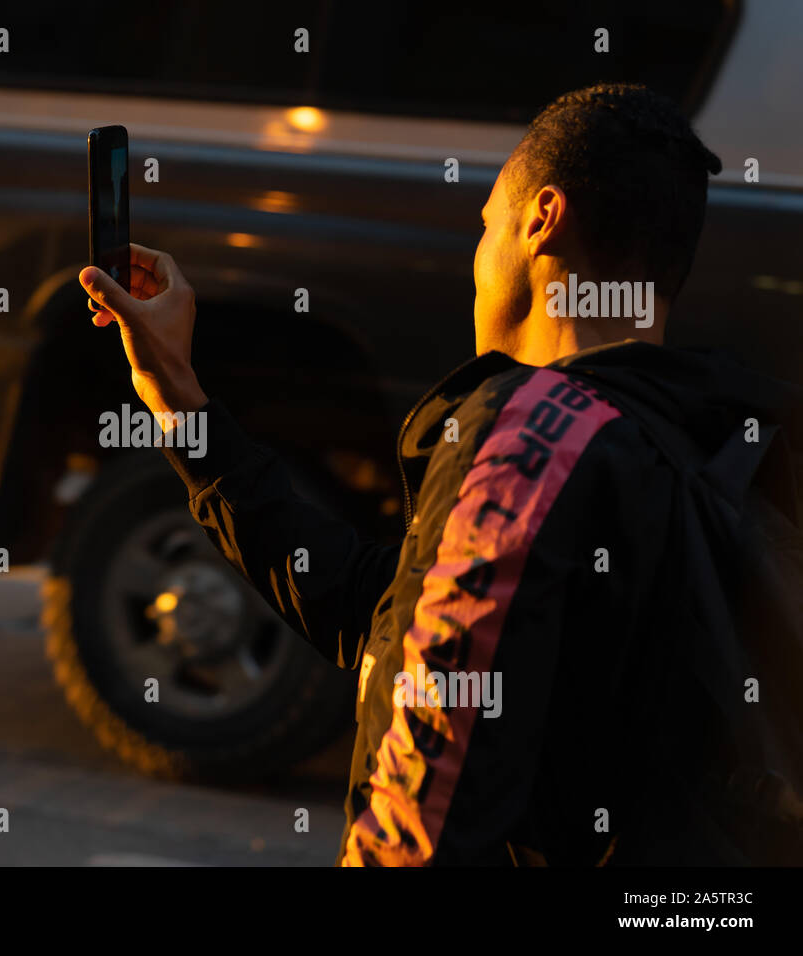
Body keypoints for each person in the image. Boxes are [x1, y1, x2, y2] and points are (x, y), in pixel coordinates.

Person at [76, 83, 802, 865]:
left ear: (540, 219)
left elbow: (421, 820)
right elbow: (380, 611)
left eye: (486, 226)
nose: (480, 259)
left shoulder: (537, 438)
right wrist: (178, 397)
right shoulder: (719, 439)